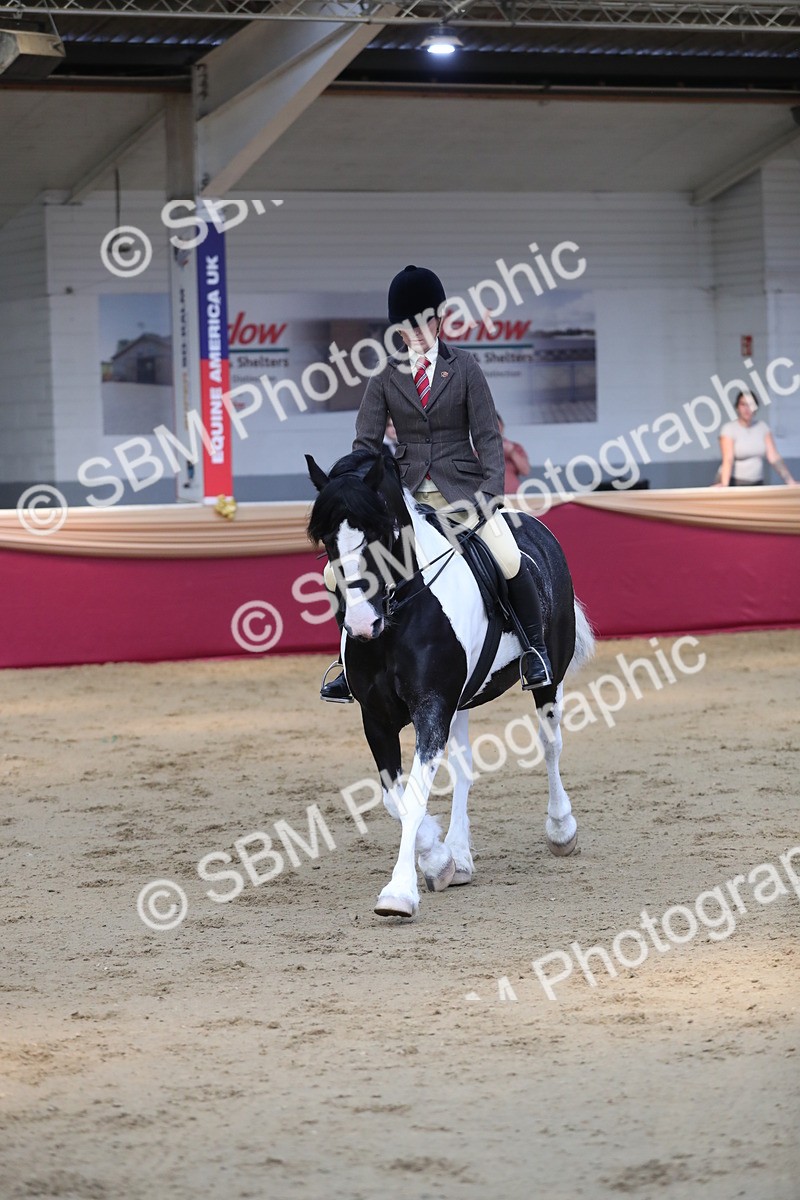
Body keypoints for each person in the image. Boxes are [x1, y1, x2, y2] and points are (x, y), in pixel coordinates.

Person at [320, 264, 552, 703]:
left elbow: (487, 435)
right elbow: (364, 446)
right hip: (402, 502)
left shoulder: (464, 368)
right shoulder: (384, 378)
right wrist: (355, 498)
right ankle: (348, 665)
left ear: (439, 319)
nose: (419, 331)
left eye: (426, 321)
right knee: (337, 573)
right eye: (409, 325)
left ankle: (534, 652)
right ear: (399, 330)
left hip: (462, 492)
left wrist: (490, 494)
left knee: (507, 556)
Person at [713, 390, 797, 488]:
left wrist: (790, 482)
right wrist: (725, 484)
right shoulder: (729, 429)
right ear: (737, 407)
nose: (747, 409)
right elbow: (728, 459)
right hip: (733, 482)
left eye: (750, 405)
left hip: (756, 483)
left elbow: (774, 457)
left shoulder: (762, 427)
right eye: (743, 404)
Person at [497, 414, 531, 494]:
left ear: (502, 426)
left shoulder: (515, 447)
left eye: (497, 425)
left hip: (514, 495)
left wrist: (512, 453)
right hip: (491, 499)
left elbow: (525, 471)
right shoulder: (479, 450)